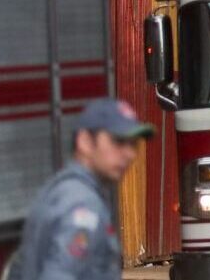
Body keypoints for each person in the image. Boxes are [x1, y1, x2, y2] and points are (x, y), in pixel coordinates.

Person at [10, 98, 153, 280]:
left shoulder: (60, 190)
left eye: (133, 144)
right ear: (85, 141)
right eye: (118, 141)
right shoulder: (82, 205)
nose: (130, 154)